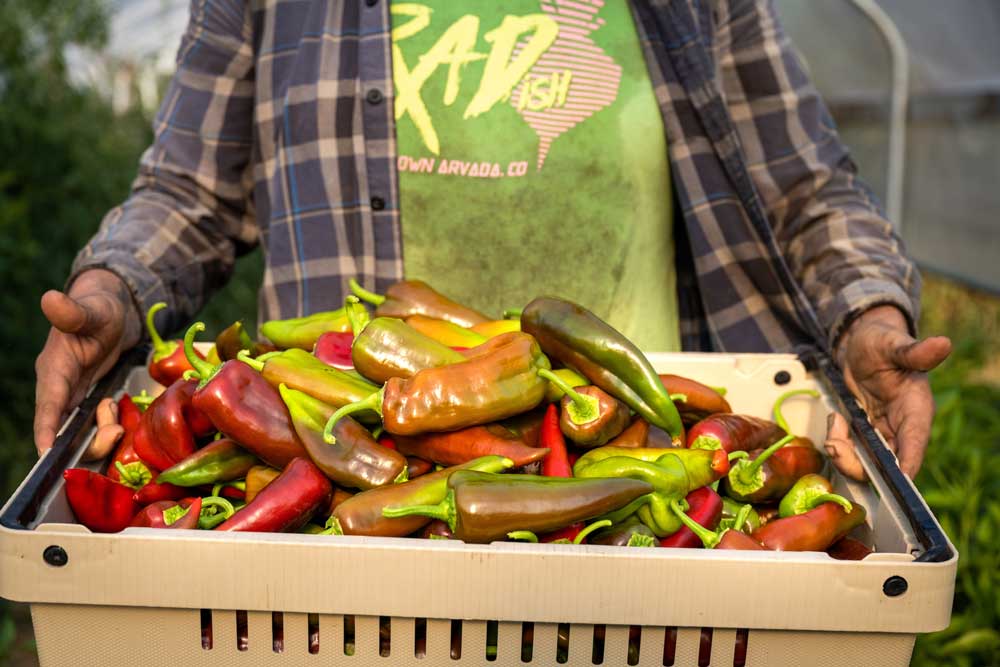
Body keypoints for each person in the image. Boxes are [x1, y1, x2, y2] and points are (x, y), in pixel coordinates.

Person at [34, 0, 950, 480]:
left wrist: (866, 308)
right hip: (364, 471)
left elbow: (804, 184)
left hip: (632, 447)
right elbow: (189, 192)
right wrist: (115, 287)